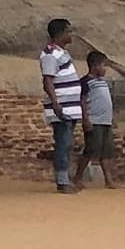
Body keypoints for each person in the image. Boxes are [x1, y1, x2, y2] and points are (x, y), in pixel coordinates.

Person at [38, 18, 86, 193]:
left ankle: (65, 179)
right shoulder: (51, 54)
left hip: (69, 107)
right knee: (63, 143)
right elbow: (48, 81)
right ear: (60, 33)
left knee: (67, 143)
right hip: (62, 107)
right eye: (69, 31)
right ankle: (62, 181)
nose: (71, 35)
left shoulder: (60, 52)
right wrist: (56, 104)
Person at [77, 53, 119, 190]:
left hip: (105, 121)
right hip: (94, 120)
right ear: (94, 66)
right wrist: (85, 119)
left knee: (106, 150)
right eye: (103, 65)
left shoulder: (104, 82)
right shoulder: (85, 82)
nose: (105, 69)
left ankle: (108, 179)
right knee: (91, 149)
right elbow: (82, 101)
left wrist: (111, 118)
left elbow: (107, 102)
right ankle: (77, 177)